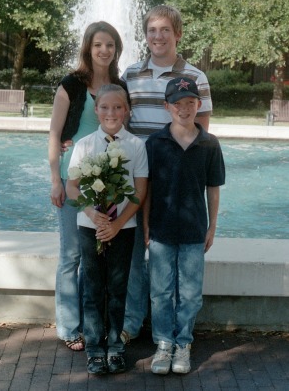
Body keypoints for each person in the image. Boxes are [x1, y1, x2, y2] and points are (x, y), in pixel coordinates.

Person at [121, 5, 213, 344]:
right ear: (145, 35)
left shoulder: (195, 77)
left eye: (164, 30)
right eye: (152, 30)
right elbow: (119, 121)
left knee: (172, 255)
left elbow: (202, 131)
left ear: (177, 34)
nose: (157, 36)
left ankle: (175, 332)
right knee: (135, 250)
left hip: (175, 181)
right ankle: (132, 322)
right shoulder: (131, 74)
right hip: (138, 177)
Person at [48, 21, 126, 351]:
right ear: (88, 48)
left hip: (107, 185)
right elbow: (54, 133)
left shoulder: (120, 86)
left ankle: (92, 320)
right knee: (71, 255)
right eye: (98, 45)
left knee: (96, 257)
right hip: (73, 180)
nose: (104, 50)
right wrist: (55, 179)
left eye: (109, 45)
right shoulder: (71, 84)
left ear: (116, 49)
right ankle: (68, 326)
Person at [144, 76, 225, 375]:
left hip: (193, 231)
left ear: (198, 105)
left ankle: (183, 343)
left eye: (190, 102)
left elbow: (213, 188)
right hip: (162, 231)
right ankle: (164, 343)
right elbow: (147, 189)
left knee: (190, 293)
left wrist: (212, 227)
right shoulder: (155, 143)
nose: (184, 108)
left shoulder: (209, 144)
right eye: (178, 103)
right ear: (167, 107)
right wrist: (146, 225)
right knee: (161, 292)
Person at [66, 84, 148, 375]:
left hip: (123, 227)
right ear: (96, 110)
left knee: (117, 287)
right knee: (92, 287)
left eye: (117, 107)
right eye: (105, 107)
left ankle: (115, 345)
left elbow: (139, 192)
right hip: (91, 227)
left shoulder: (136, 146)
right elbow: (72, 187)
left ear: (126, 111)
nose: (111, 113)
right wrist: (92, 213)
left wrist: (116, 223)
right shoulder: (85, 144)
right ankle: (94, 347)